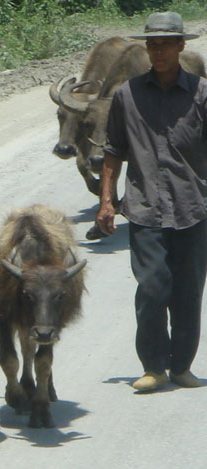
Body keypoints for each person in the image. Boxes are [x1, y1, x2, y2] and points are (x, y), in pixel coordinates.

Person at [97, 12, 207, 392]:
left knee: (189, 292)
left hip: (194, 208)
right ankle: (154, 368)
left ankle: (181, 367)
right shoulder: (127, 95)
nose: (158, 52)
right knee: (152, 288)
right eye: (152, 45)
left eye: (165, 44)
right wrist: (106, 201)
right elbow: (113, 150)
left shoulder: (201, 93)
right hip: (145, 208)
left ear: (181, 46)